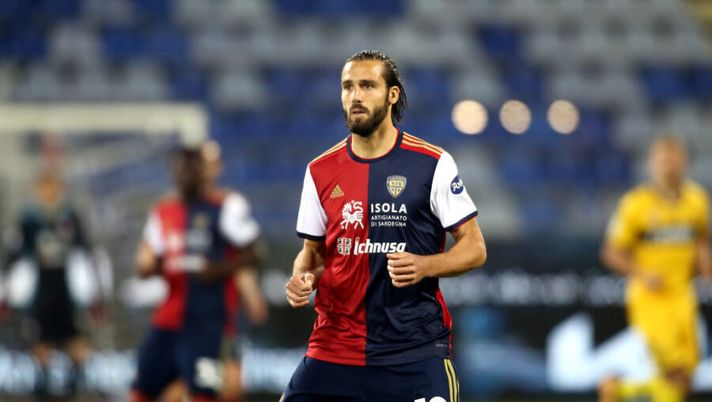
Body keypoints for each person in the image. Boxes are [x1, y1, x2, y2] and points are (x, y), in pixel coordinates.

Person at [283, 50, 487, 402]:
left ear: (392, 94)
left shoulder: (432, 163)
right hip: (334, 351)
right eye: (348, 87)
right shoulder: (319, 170)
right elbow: (312, 255)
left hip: (413, 351)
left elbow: (474, 247)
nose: (355, 96)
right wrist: (302, 279)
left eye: (367, 85)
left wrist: (425, 265)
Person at [130, 144, 262, 402]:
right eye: (181, 168)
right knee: (140, 392)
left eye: (193, 168)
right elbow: (147, 261)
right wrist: (148, 266)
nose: (187, 174)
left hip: (209, 324)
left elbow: (255, 253)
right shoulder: (163, 212)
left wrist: (220, 269)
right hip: (168, 322)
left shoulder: (226, 207)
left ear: (205, 171)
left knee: (209, 393)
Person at [598, 136, 712, 402]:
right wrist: (641, 273)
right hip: (651, 300)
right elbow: (611, 252)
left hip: (683, 296)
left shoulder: (696, 200)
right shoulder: (636, 204)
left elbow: (700, 242)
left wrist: (707, 270)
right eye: (663, 161)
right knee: (673, 369)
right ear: (652, 165)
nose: (669, 167)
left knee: (686, 376)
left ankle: (617, 390)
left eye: (674, 160)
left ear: (684, 162)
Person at [3, 170, 100, 401]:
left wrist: (95, 293)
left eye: (54, 187)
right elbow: (11, 255)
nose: (49, 193)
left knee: (77, 343)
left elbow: (88, 252)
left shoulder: (70, 217)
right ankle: (43, 392)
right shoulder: (29, 220)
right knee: (41, 345)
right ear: (38, 190)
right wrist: (6, 292)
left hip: (66, 291)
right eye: (45, 188)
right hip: (41, 292)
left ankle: (71, 390)